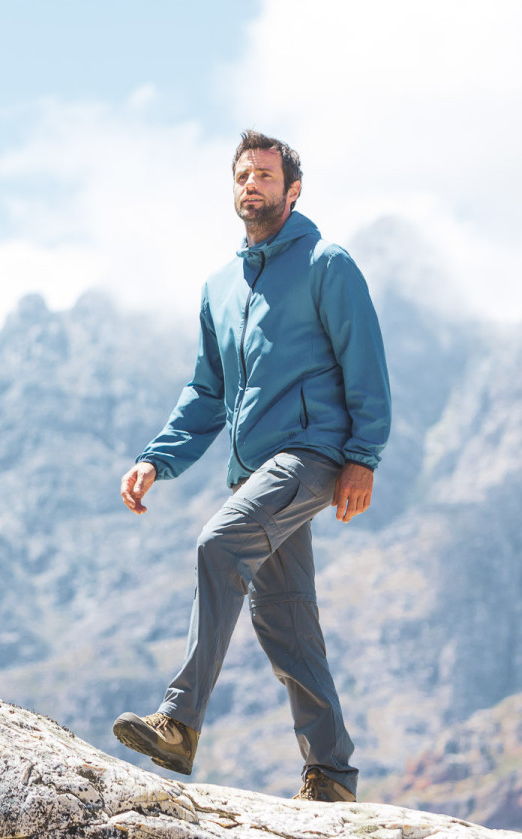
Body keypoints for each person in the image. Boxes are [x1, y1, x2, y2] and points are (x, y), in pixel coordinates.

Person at [114, 130, 391, 803]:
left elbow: (367, 365)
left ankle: (179, 722)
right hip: (254, 472)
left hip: (311, 454)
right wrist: (159, 458)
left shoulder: (328, 265)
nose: (252, 185)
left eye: (266, 175)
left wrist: (362, 457)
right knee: (286, 623)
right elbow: (208, 392)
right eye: (243, 175)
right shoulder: (218, 288)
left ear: (292, 191)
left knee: (218, 543)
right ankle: (331, 774)